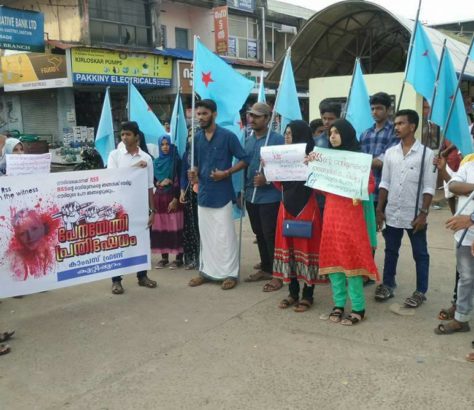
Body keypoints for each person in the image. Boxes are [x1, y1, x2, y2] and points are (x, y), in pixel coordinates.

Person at [309, 119, 379, 325]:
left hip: (351, 220)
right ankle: (338, 304)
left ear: (347, 135)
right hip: (331, 219)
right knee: (333, 264)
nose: (332, 136)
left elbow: (370, 185)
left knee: (351, 264)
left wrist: (355, 187)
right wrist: (314, 165)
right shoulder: (328, 159)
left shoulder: (358, 160)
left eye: (337, 132)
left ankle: (358, 307)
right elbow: (320, 187)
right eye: (330, 132)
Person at [375, 109, 437, 307]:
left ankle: (420, 291)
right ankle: (388, 284)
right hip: (393, 211)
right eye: (395, 124)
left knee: (420, 254)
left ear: (412, 126)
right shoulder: (391, 153)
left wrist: (424, 213)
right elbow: (384, 182)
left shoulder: (426, 154)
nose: (396, 127)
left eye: (401, 123)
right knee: (391, 250)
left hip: (415, 214)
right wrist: (379, 209)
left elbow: (429, 186)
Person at [188, 99, 250, 290]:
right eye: (198, 114)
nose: (200, 117)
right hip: (204, 193)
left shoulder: (227, 136)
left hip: (222, 193)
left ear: (214, 114)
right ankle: (206, 271)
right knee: (206, 236)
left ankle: (230, 273)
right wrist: (194, 173)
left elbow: (244, 159)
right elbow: (197, 163)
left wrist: (227, 173)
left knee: (225, 235)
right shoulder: (197, 138)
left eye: (204, 114)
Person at [268, 120, 322, 312]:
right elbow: (279, 185)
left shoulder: (314, 156)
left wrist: (314, 164)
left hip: (307, 207)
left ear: (300, 135)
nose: (287, 136)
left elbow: (321, 183)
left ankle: (308, 295)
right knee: (288, 248)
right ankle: (292, 292)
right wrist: (270, 169)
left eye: (290, 133)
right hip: (286, 207)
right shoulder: (283, 157)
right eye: (286, 133)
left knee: (306, 248)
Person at [107, 121, 157, 294]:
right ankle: (116, 280)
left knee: (141, 241)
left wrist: (152, 210)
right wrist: (135, 168)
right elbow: (113, 178)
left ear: (137, 136)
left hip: (140, 207)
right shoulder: (115, 155)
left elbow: (150, 186)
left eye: (128, 134)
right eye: (122, 134)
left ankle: (142, 276)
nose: (125, 137)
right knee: (118, 244)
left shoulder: (147, 158)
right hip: (118, 208)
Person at [242, 102, 284, 292]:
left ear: (267, 119)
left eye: (257, 116)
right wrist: (240, 191)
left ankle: (277, 273)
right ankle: (266, 267)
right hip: (251, 195)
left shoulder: (277, 140)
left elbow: (286, 168)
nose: (252, 119)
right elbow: (243, 164)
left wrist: (267, 178)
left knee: (270, 235)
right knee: (259, 233)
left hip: (270, 196)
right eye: (251, 115)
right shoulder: (248, 139)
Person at [434, 159, 474, 336]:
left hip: (469, 223)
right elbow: (453, 186)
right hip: (465, 234)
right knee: (466, 277)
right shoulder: (469, 163)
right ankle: (461, 318)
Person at [359, 92, 398, 211]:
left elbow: (384, 161)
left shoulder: (395, 132)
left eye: (379, 108)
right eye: (372, 109)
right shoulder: (365, 134)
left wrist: (360, 162)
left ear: (388, 110)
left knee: (388, 229)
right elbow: (359, 159)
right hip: (367, 191)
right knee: (369, 229)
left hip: (386, 192)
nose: (375, 112)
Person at [151, 135, 184, 269]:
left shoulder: (176, 161)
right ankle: (164, 258)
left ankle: (178, 258)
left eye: (167, 144)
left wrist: (176, 198)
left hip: (173, 198)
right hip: (159, 199)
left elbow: (180, 180)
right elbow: (151, 179)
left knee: (175, 227)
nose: (165, 147)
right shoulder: (156, 162)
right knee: (162, 227)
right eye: (162, 144)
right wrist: (159, 182)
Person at [180, 128, 200, 270]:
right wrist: (182, 191)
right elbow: (182, 173)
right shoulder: (186, 154)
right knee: (190, 227)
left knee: (201, 226)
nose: (191, 137)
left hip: (201, 193)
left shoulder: (203, 152)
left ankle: (203, 257)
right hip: (188, 194)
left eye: (195, 134)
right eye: (189, 134)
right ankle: (192, 257)